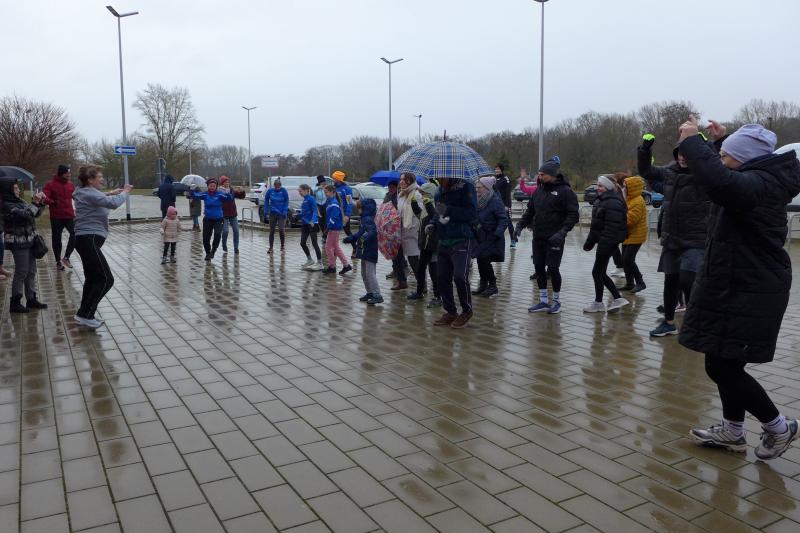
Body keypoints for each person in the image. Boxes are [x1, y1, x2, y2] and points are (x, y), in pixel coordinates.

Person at [678, 118, 800, 460]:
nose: (721, 160)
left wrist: (693, 141)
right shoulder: (759, 178)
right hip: (738, 284)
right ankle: (733, 430)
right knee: (723, 358)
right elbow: (729, 173)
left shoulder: (758, 185)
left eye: (726, 156)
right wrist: (722, 143)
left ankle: (779, 427)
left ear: (744, 159)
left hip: (751, 288)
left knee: (723, 367)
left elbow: (721, 183)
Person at [639, 132, 711, 337]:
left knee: (688, 280)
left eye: (687, 153)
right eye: (680, 152)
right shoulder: (669, 171)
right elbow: (646, 171)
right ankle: (669, 323)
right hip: (672, 237)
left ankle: (697, 323)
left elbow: (718, 167)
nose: (682, 157)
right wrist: (645, 150)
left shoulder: (705, 174)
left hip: (695, 238)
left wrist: (706, 144)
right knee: (670, 281)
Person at [515, 157, 579, 315]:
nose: (540, 176)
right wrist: (520, 226)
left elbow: (573, 215)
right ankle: (543, 300)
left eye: (542, 174)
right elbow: (530, 212)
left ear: (552, 175)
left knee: (553, 268)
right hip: (539, 237)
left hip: (555, 238)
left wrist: (562, 233)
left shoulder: (565, 191)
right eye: (539, 174)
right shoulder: (538, 191)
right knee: (538, 268)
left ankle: (556, 301)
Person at [72, 165, 132, 328]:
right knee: (106, 279)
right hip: (88, 240)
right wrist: (125, 192)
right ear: (90, 180)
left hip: (86, 240)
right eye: (99, 177)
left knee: (92, 278)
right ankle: (86, 315)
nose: (102, 179)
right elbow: (113, 204)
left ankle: (83, 314)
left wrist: (111, 193)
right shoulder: (89, 193)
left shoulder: (86, 192)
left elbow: (99, 198)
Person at [432, 176, 478, 329]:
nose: (438, 179)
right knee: (441, 277)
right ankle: (450, 311)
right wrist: (433, 224)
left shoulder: (465, 186)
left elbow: (472, 213)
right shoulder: (438, 191)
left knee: (459, 276)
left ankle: (467, 311)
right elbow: (438, 213)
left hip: (462, 238)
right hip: (444, 239)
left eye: (440, 177)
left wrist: (449, 211)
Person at [582, 175, 630, 313]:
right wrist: (589, 243)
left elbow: (612, 229)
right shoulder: (603, 200)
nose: (598, 188)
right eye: (597, 185)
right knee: (599, 272)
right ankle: (614, 299)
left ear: (608, 187)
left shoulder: (612, 202)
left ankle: (603, 302)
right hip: (606, 243)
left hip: (607, 243)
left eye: (601, 185)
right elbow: (596, 226)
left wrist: (603, 245)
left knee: (597, 272)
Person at [0, 178, 48, 313]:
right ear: (8, 190)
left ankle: (31, 299)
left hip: (30, 240)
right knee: (22, 271)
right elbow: (24, 216)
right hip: (18, 242)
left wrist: (40, 203)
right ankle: (15, 302)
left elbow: (34, 214)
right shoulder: (6, 205)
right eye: (15, 188)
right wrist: (35, 202)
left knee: (31, 271)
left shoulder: (20, 201)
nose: (18, 190)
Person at [472, 175, 507, 298]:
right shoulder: (478, 200)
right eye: (476, 187)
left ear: (487, 188)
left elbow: (503, 219)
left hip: (492, 236)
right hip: (480, 236)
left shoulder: (494, 200)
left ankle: (493, 285)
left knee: (485, 260)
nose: (477, 189)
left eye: (479, 187)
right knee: (480, 259)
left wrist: (497, 233)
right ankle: (483, 284)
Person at [407, 182, 440, 306]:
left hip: (433, 244)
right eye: (420, 193)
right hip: (424, 244)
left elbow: (435, 217)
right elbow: (420, 215)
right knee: (421, 269)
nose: (421, 195)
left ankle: (438, 296)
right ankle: (419, 292)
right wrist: (413, 202)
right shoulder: (427, 205)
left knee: (434, 271)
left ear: (430, 193)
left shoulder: (437, 205)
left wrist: (428, 203)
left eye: (423, 193)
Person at [345, 199, 381, 304]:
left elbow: (371, 232)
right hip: (364, 249)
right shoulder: (364, 219)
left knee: (370, 273)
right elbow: (360, 233)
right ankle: (370, 292)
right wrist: (352, 238)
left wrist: (362, 239)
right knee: (364, 273)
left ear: (365, 209)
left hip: (370, 249)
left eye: (359, 208)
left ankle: (377, 294)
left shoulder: (368, 219)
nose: (358, 210)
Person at [190, 177, 233, 261]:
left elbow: (229, 199)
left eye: (214, 186)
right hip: (208, 219)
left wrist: (228, 192)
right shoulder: (205, 194)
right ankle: (208, 253)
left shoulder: (220, 194)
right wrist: (192, 189)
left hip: (218, 219)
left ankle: (213, 251)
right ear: (208, 186)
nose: (212, 187)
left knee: (217, 234)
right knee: (206, 238)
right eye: (210, 186)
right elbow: (195, 196)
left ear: (216, 186)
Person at [43, 164, 76, 271]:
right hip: (56, 216)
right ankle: (58, 261)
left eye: (69, 173)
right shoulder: (50, 184)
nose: (69, 175)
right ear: (61, 173)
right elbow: (44, 197)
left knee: (75, 234)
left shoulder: (71, 185)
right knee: (57, 239)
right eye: (67, 173)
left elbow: (77, 197)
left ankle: (66, 258)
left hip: (69, 215)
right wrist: (52, 202)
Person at [619, 175, 647, 292]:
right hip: (628, 235)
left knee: (628, 259)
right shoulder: (629, 199)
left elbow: (631, 220)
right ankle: (630, 283)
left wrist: (618, 216)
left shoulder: (638, 201)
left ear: (632, 188)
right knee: (624, 260)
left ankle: (640, 282)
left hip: (636, 236)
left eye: (625, 187)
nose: (623, 189)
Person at [394, 172, 421, 291]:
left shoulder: (417, 194)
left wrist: (413, 228)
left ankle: (422, 284)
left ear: (411, 181)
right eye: (400, 179)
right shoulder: (401, 194)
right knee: (396, 256)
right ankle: (401, 281)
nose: (401, 182)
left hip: (411, 231)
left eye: (405, 180)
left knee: (413, 258)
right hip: (399, 230)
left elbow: (420, 214)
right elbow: (399, 211)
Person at [322, 184, 352, 275]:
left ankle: (332, 266)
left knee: (328, 247)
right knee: (335, 247)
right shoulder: (330, 201)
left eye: (326, 192)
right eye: (324, 192)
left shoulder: (334, 203)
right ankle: (345, 265)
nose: (325, 194)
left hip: (334, 228)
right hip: (334, 227)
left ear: (332, 192)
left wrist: (328, 227)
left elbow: (334, 217)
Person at [383, 181, 406, 281]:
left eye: (392, 187)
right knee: (392, 249)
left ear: (397, 188)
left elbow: (400, 210)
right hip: (388, 225)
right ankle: (397, 269)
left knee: (397, 249)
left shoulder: (399, 197)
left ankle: (400, 269)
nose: (390, 189)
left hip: (397, 225)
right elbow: (383, 206)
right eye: (389, 187)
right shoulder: (387, 196)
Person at [298, 184, 323, 269]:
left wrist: (313, 220)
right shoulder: (305, 199)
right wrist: (299, 216)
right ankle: (310, 260)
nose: (299, 193)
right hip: (305, 224)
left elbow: (315, 210)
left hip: (312, 224)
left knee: (314, 243)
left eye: (300, 191)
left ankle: (320, 263)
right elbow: (305, 212)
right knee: (302, 243)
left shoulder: (311, 199)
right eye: (299, 191)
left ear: (306, 190)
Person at [219, 176, 244, 254]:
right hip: (223, 214)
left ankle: (236, 248)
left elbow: (241, 196)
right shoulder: (219, 191)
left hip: (233, 213)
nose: (227, 183)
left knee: (236, 231)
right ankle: (224, 244)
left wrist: (242, 191)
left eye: (228, 182)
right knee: (225, 231)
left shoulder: (231, 190)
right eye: (225, 182)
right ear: (222, 183)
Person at [332, 170, 355, 255]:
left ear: (339, 179)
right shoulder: (333, 188)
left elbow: (349, 203)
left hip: (343, 214)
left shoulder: (347, 189)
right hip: (335, 213)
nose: (333, 180)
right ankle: (334, 250)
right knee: (333, 231)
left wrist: (347, 215)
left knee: (347, 231)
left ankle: (355, 248)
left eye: (334, 178)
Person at [493, 164, 516, 249]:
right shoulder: (494, 180)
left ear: (501, 170)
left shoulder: (505, 179)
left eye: (498, 169)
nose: (496, 170)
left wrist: (507, 205)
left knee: (508, 223)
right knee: (497, 223)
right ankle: (498, 240)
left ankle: (513, 240)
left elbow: (507, 193)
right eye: (495, 169)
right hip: (497, 204)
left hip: (505, 205)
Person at [264, 178, 289, 254]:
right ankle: (271, 248)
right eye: (276, 187)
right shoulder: (270, 191)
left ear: (280, 186)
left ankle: (282, 246)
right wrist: (266, 211)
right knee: (272, 230)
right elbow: (266, 200)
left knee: (281, 229)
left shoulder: (283, 191)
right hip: (273, 213)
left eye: (279, 187)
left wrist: (285, 210)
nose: (277, 188)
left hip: (282, 213)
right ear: (274, 186)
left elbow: (286, 201)